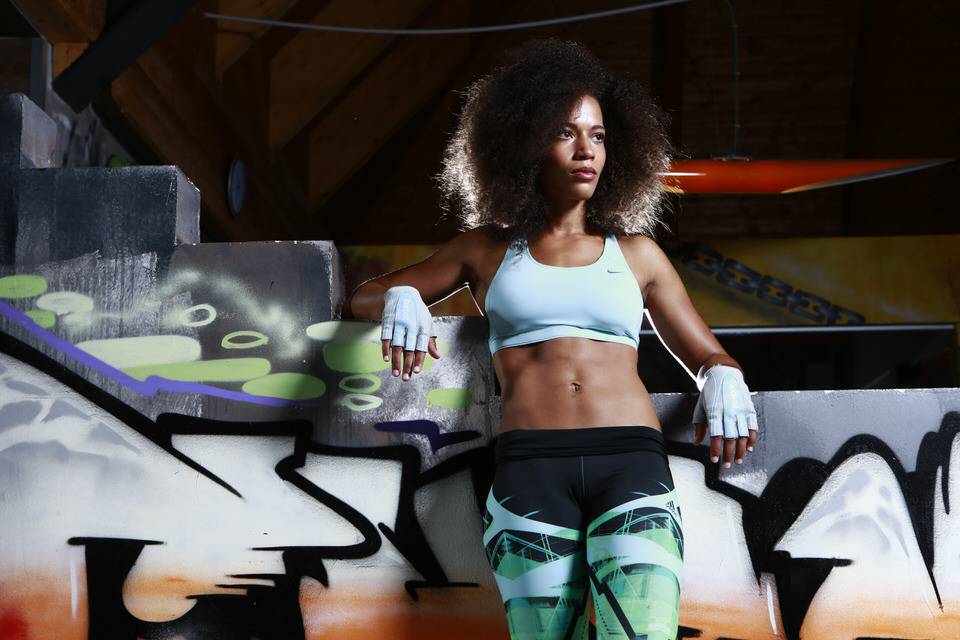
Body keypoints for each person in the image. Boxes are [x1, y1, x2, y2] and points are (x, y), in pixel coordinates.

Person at [346, 38, 758, 640]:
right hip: (529, 465)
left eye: (599, 136)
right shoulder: (485, 249)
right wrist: (401, 296)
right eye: (566, 133)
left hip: (631, 462)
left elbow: (705, 352)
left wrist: (723, 374)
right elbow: (362, 298)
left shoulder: (638, 254)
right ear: (525, 141)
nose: (587, 150)